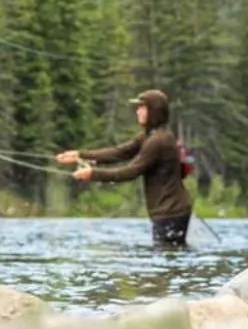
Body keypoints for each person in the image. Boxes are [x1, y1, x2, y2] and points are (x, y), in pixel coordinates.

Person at [56, 88, 192, 248]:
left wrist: (93, 174)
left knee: (168, 257)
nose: (137, 111)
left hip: (171, 212)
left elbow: (130, 171)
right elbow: (118, 153)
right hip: (168, 211)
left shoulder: (158, 141)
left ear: (154, 111)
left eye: (142, 107)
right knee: (168, 255)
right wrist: (80, 155)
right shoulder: (150, 137)